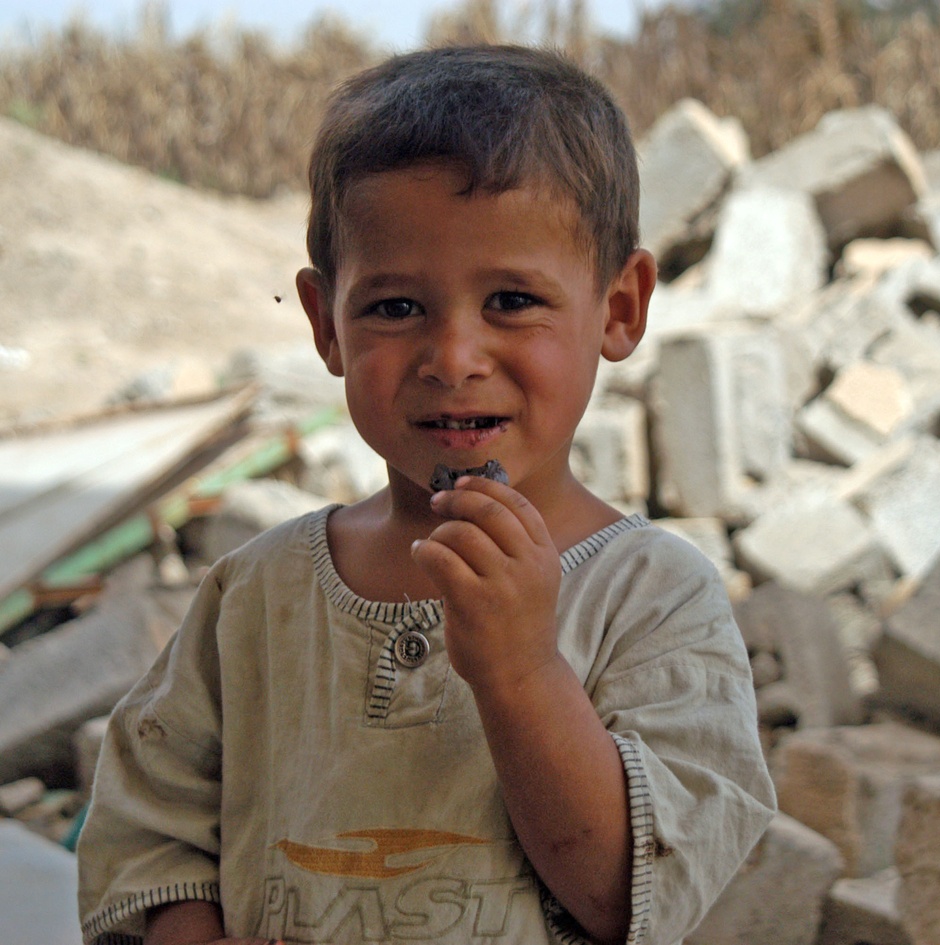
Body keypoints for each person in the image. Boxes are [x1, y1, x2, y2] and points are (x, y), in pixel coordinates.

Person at [77, 44, 776, 945]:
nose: (452, 358)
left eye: (512, 300)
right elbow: (150, 827)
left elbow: (629, 892)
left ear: (618, 309)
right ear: (326, 323)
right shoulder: (255, 596)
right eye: (396, 308)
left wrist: (521, 671)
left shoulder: (654, 599)